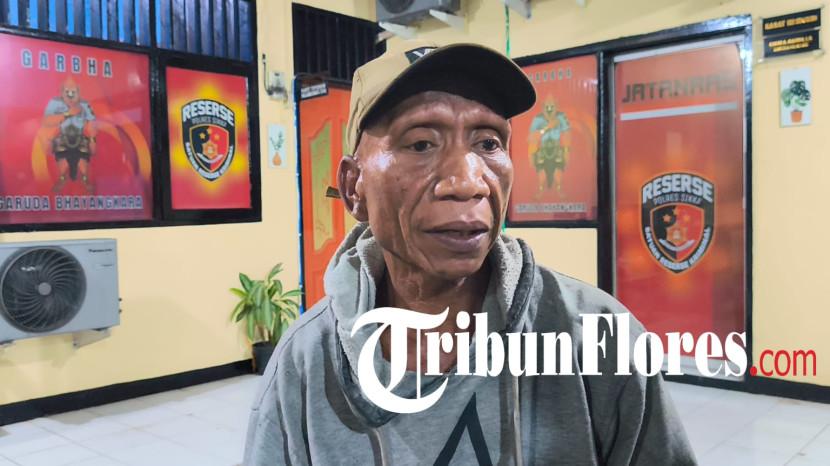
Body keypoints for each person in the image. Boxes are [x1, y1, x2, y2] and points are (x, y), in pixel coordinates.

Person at [245, 40, 696, 465]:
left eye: (488, 143)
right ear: (353, 187)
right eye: (421, 143)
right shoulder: (305, 362)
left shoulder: (597, 335)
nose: (467, 182)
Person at [41, 77, 97, 194]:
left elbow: (92, 122)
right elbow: (46, 121)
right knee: (61, 158)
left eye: (73, 91)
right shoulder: (54, 103)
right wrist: (67, 114)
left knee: (83, 162)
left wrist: (92, 140)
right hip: (62, 136)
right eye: (67, 92)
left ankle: (85, 179)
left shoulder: (85, 104)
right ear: (62, 92)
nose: (71, 95)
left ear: (78, 91)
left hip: (80, 136)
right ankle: (62, 178)